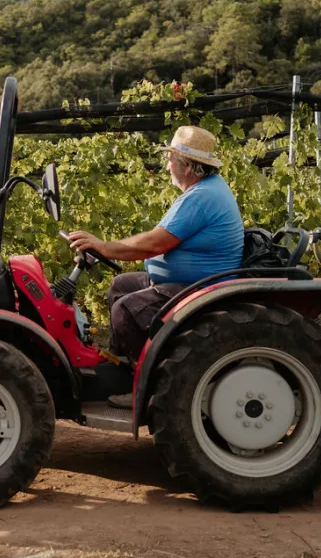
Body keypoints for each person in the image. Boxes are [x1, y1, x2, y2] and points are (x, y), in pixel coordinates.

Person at [67, 125, 244, 408]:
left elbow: (153, 244)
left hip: (198, 287)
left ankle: (148, 388)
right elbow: (156, 239)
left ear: (188, 166)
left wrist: (104, 246)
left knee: (126, 310)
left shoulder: (201, 198)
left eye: (170, 159)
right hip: (190, 281)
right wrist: (103, 248)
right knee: (120, 286)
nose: (166, 166)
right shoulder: (205, 190)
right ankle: (123, 368)